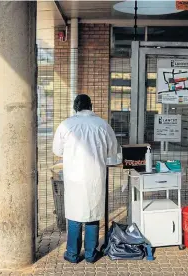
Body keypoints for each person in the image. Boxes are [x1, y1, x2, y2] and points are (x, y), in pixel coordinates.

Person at [52, 94, 118, 263]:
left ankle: (72, 254)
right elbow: (113, 151)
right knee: (93, 214)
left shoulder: (66, 125)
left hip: (74, 178)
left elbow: (57, 151)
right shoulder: (103, 125)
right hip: (94, 176)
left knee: (74, 214)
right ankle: (90, 254)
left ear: (75, 107)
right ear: (91, 106)